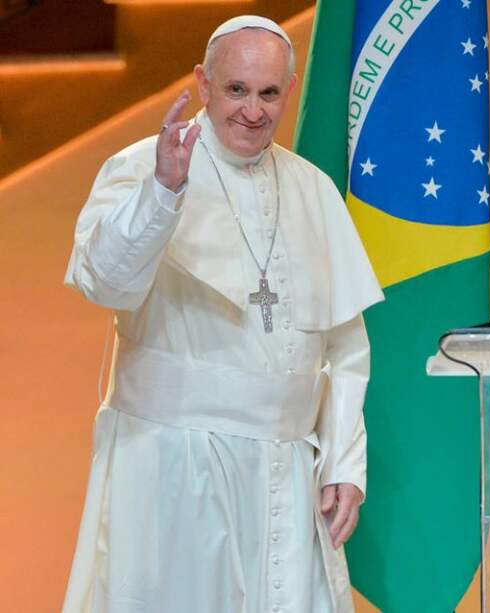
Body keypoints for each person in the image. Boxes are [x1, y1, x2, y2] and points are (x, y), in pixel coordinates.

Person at [62, 15, 382, 613]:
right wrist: (162, 194)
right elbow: (103, 283)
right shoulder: (143, 166)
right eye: (236, 90)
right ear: (204, 85)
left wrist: (342, 459)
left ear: (288, 90)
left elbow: (346, 346)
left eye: (268, 94)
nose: (253, 112)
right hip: (173, 466)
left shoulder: (312, 188)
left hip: (288, 468)